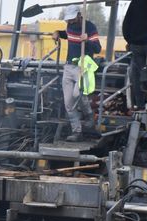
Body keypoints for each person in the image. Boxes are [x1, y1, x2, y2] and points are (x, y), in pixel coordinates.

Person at [53, 4, 102, 142]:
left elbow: (98, 48)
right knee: (68, 102)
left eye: (73, 19)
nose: (71, 22)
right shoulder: (69, 26)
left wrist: (87, 40)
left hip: (83, 66)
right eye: (68, 20)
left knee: (78, 94)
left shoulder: (90, 27)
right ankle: (77, 131)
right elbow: (67, 35)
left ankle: (89, 116)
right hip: (69, 67)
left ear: (79, 16)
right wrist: (57, 32)